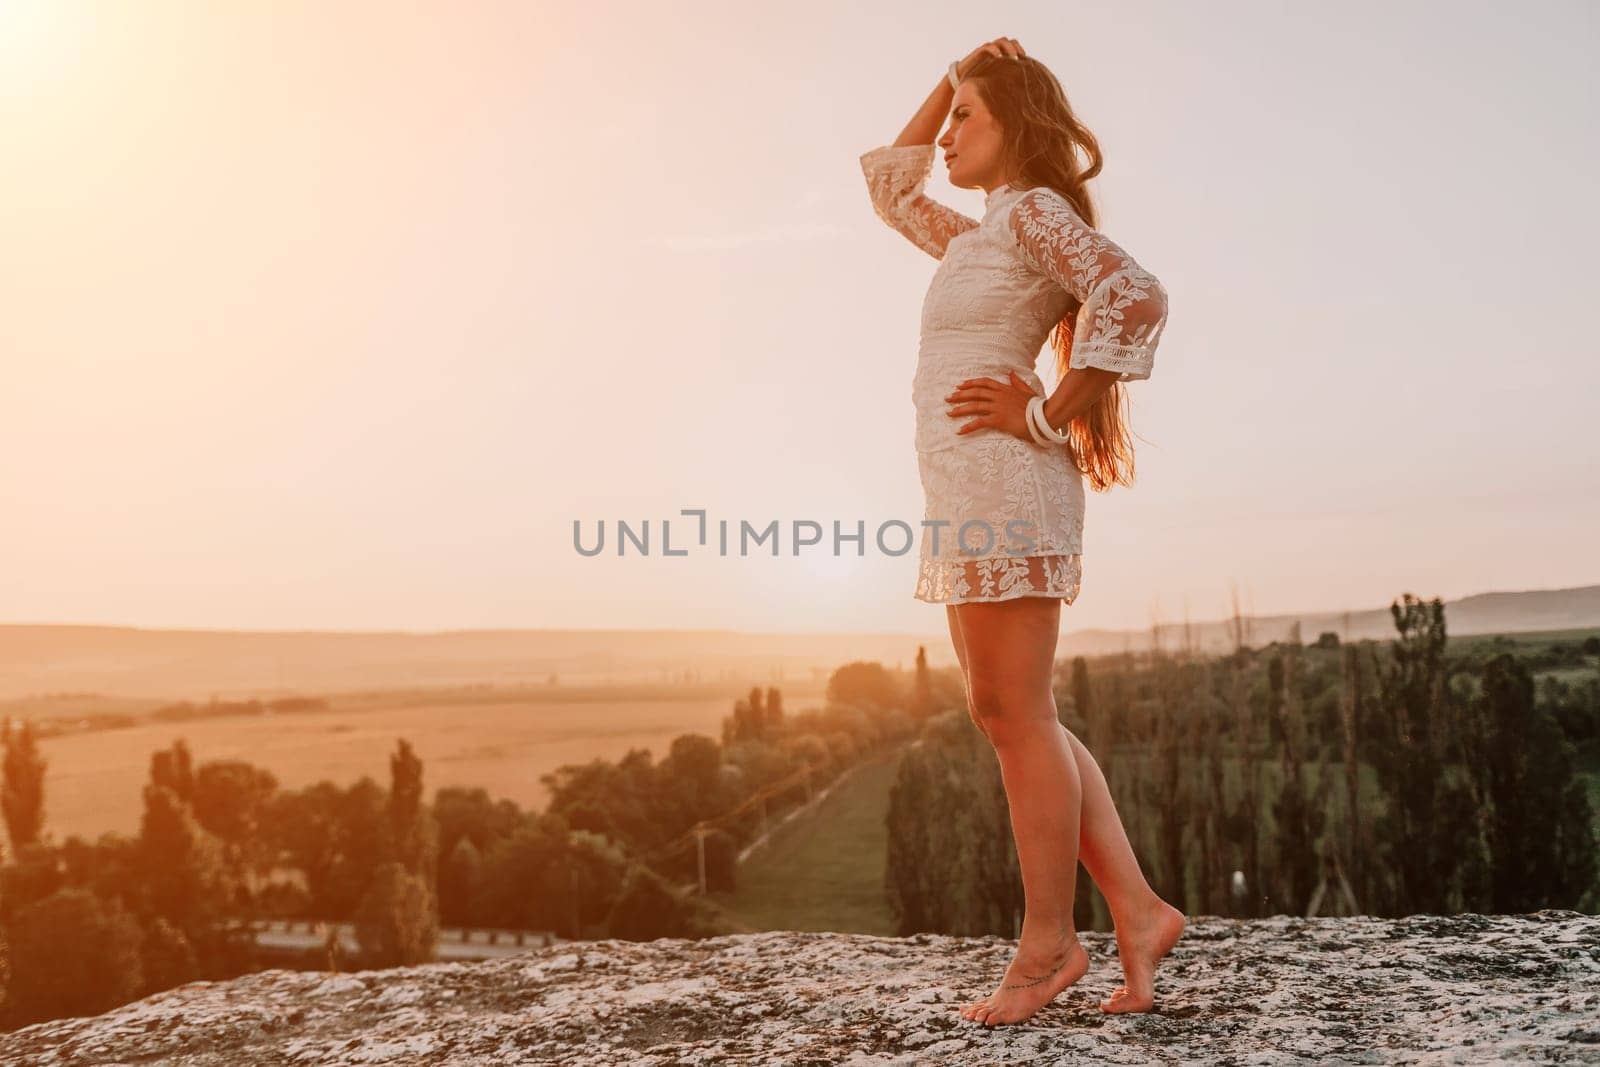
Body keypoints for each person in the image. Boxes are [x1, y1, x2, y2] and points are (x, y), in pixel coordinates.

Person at [859, 37, 1186, 1027]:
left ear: (1017, 130)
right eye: (949, 116)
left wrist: (1044, 417)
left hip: (1008, 481)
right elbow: (889, 185)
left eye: (967, 118)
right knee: (1009, 709)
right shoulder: (975, 234)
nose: (946, 135)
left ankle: (1048, 943)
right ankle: (1135, 905)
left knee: (1014, 710)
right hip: (963, 489)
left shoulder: (1033, 213)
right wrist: (950, 78)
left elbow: (1135, 291)